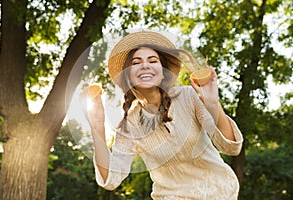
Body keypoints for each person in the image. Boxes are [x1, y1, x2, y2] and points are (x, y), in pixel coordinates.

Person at [83, 31, 243, 200]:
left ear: (163, 72)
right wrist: (97, 127)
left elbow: (231, 148)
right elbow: (111, 180)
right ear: (128, 76)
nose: (145, 65)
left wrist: (212, 103)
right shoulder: (130, 126)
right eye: (136, 63)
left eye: (153, 61)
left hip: (219, 193)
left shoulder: (187, 97)